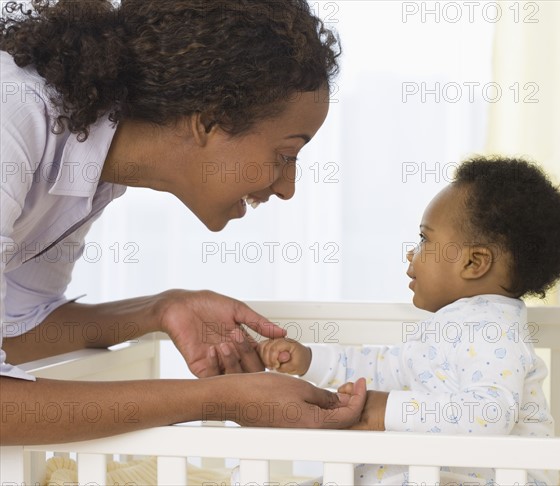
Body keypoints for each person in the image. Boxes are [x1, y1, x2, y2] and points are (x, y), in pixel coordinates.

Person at [0, 0, 367, 445]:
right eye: (285, 155)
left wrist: (160, 310)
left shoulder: (91, 176)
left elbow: (14, 330)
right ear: (210, 121)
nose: (287, 188)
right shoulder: (12, 119)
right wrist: (218, 399)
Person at [258, 156, 560, 485]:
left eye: (425, 240)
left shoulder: (492, 331)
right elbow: (382, 366)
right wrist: (312, 360)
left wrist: (385, 411)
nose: (412, 253)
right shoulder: (451, 328)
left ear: (474, 263)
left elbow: (488, 415)